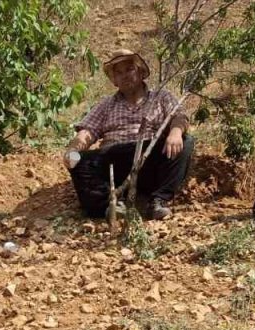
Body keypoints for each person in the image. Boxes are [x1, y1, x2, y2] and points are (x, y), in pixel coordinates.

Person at [63, 49, 194, 220]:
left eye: (129, 69)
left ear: (140, 72)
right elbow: (87, 132)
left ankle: (158, 201)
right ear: (114, 81)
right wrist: (72, 150)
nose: (124, 75)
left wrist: (175, 133)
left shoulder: (161, 96)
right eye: (118, 73)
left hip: (149, 155)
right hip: (115, 160)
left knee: (186, 141)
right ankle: (109, 206)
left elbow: (179, 117)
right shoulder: (106, 105)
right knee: (79, 160)